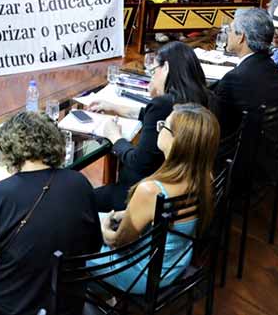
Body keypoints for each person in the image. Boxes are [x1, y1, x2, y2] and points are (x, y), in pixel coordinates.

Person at [0, 111, 102, 315]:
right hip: (65, 306)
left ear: (8, 149)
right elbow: (93, 246)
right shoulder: (80, 183)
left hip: (6, 309)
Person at [96, 103, 219, 294]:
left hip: (141, 274)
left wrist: (104, 229)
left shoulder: (151, 191)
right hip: (176, 263)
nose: (158, 128)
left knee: (68, 240)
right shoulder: (206, 178)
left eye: (164, 126)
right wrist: (129, 214)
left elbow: (118, 242)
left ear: (176, 140)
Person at [88, 42, 215, 211]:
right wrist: (115, 107)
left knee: (85, 199)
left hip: (144, 192)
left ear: (166, 68)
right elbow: (152, 112)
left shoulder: (163, 105)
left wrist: (114, 137)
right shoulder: (204, 96)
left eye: (153, 71)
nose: (152, 76)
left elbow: (139, 162)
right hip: (184, 186)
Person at [216, 8, 278, 139]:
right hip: (265, 148)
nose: (227, 34)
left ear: (241, 37)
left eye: (230, 30)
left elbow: (215, 123)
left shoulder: (234, 79)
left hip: (233, 152)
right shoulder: (274, 68)